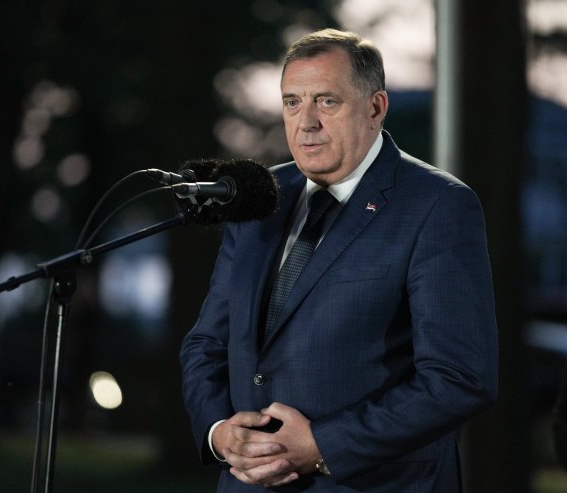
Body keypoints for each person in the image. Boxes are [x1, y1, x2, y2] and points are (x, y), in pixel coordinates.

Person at [179, 28, 498, 492]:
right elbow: (206, 342)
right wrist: (219, 434)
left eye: (326, 101)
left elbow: (459, 378)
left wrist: (324, 445)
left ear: (375, 108)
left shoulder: (437, 205)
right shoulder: (259, 198)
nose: (306, 122)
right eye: (292, 102)